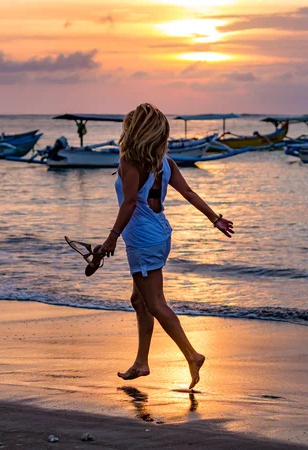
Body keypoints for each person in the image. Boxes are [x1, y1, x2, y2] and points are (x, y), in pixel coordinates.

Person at [98, 103, 234, 390]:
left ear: (134, 130)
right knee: (140, 300)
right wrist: (215, 219)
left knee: (156, 304)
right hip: (160, 235)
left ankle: (192, 355)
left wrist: (111, 237)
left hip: (143, 241)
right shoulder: (165, 163)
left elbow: (130, 202)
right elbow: (188, 192)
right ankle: (141, 362)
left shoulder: (129, 162)